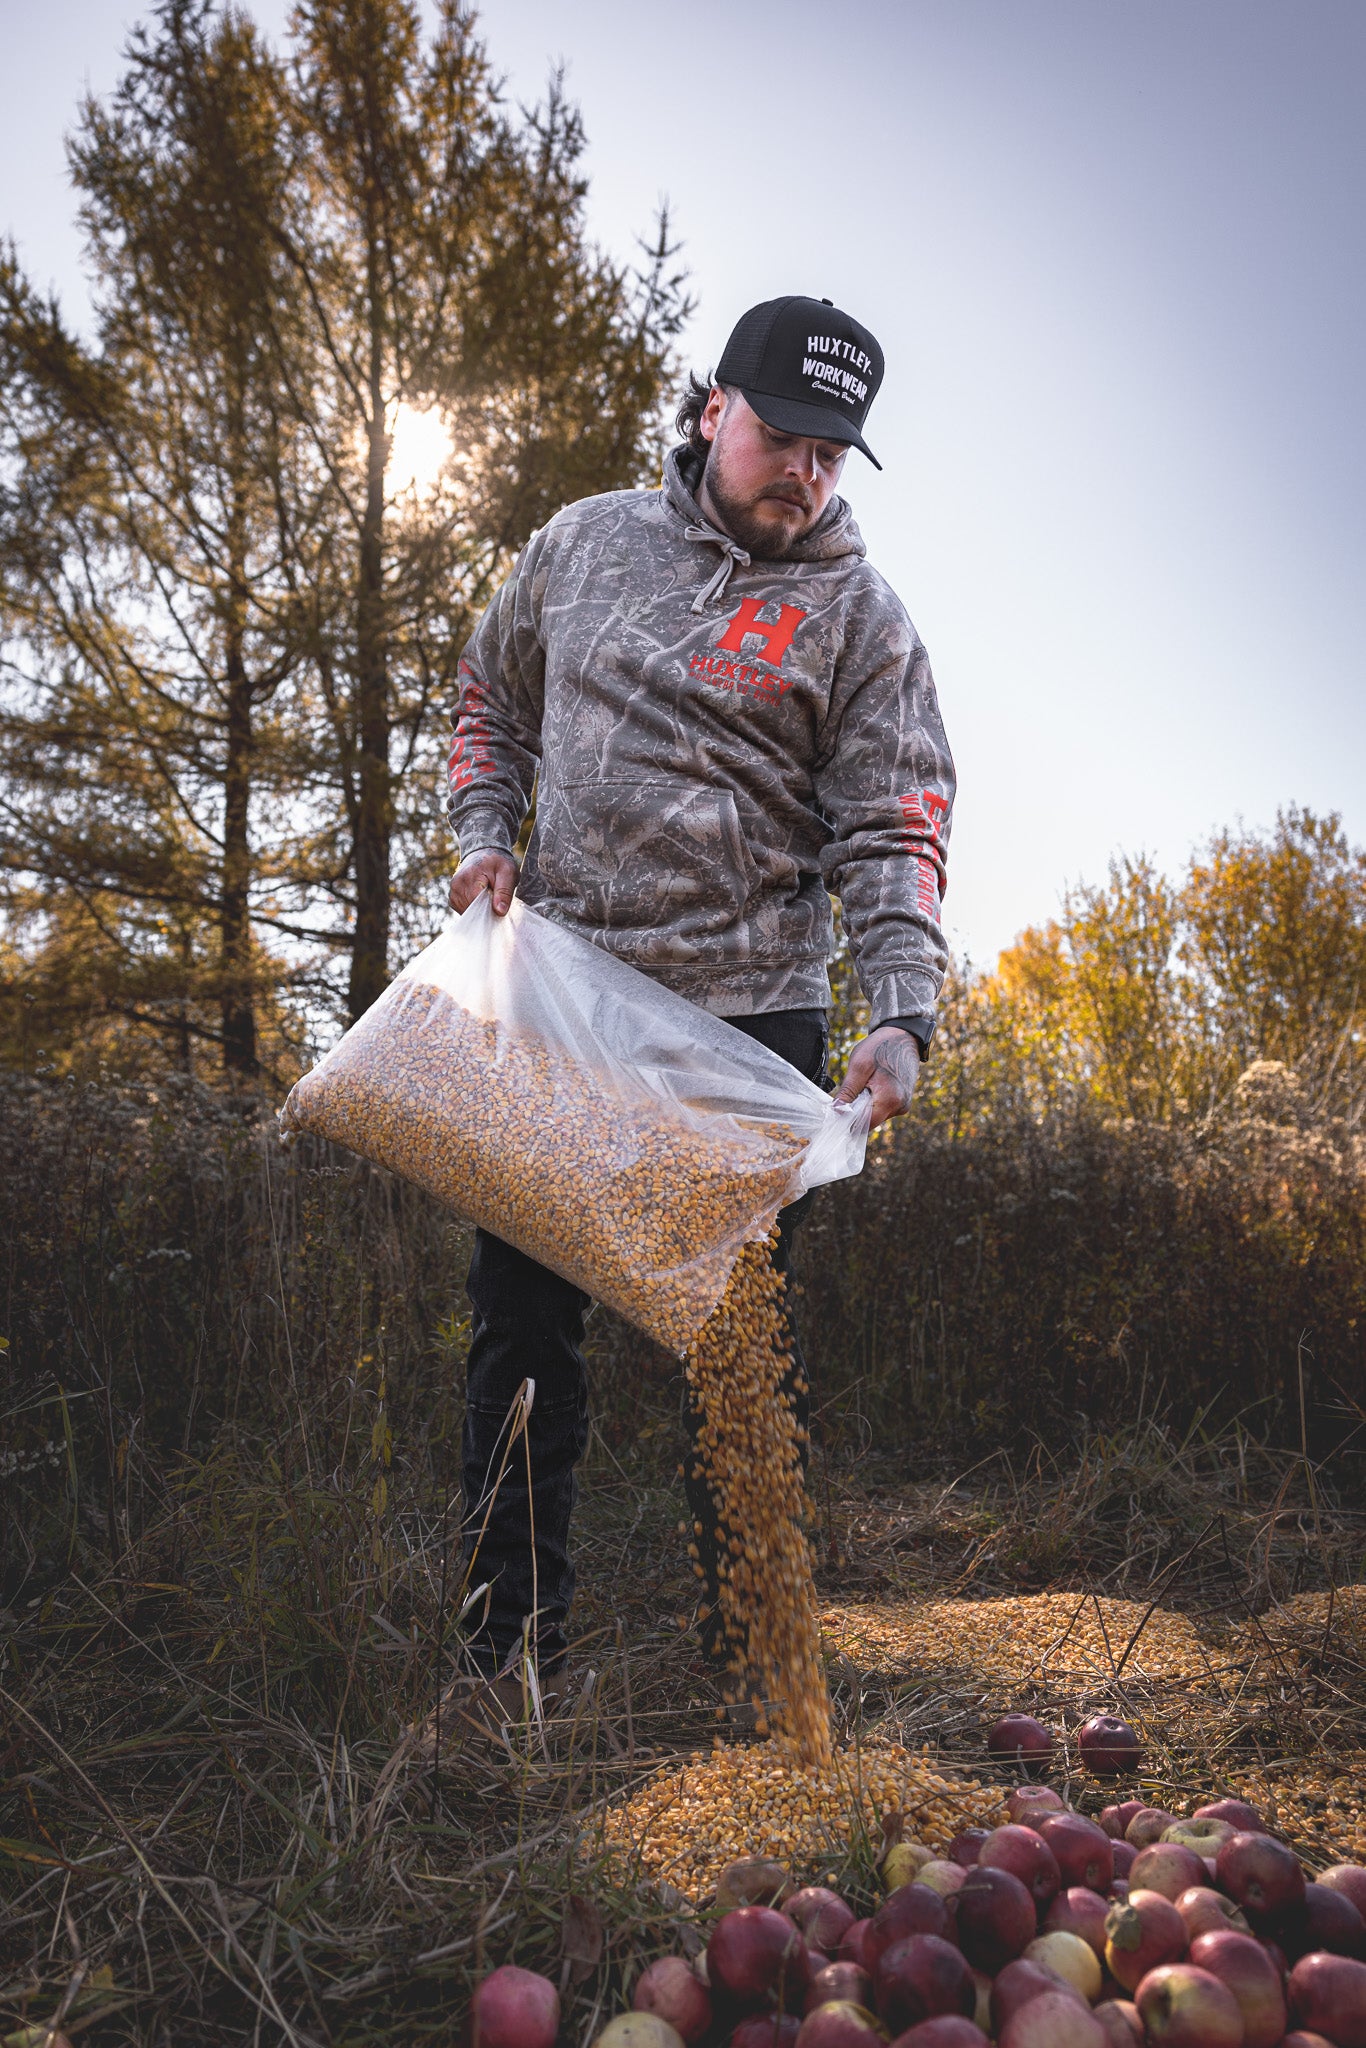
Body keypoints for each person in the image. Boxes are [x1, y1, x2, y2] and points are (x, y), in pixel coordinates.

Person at [441, 294, 955, 1722]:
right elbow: (489, 693)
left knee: (735, 1353)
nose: (804, 473)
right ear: (709, 408)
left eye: (833, 454)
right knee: (520, 1333)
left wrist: (900, 1009)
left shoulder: (856, 617)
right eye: (782, 436)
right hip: (562, 996)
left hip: (747, 1025)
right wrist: (486, 826)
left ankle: (750, 1677)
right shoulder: (582, 545)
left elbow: (892, 823)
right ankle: (502, 1659)